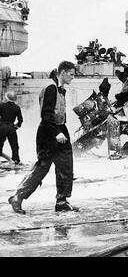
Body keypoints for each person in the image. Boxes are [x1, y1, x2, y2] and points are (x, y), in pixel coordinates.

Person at [8, 61, 78, 214]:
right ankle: (17, 197)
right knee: (42, 167)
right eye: (71, 74)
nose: (73, 78)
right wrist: (56, 133)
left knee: (65, 165)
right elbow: (46, 114)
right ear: (63, 72)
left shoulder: (60, 88)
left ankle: (62, 201)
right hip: (49, 131)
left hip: (59, 128)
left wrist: (61, 131)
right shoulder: (51, 88)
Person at [0, 91, 23, 165]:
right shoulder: (17, 107)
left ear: (6, 98)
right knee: (14, 145)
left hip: (2, 126)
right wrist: (17, 126)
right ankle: (16, 160)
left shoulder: (1, 105)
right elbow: (20, 120)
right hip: (11, 127)